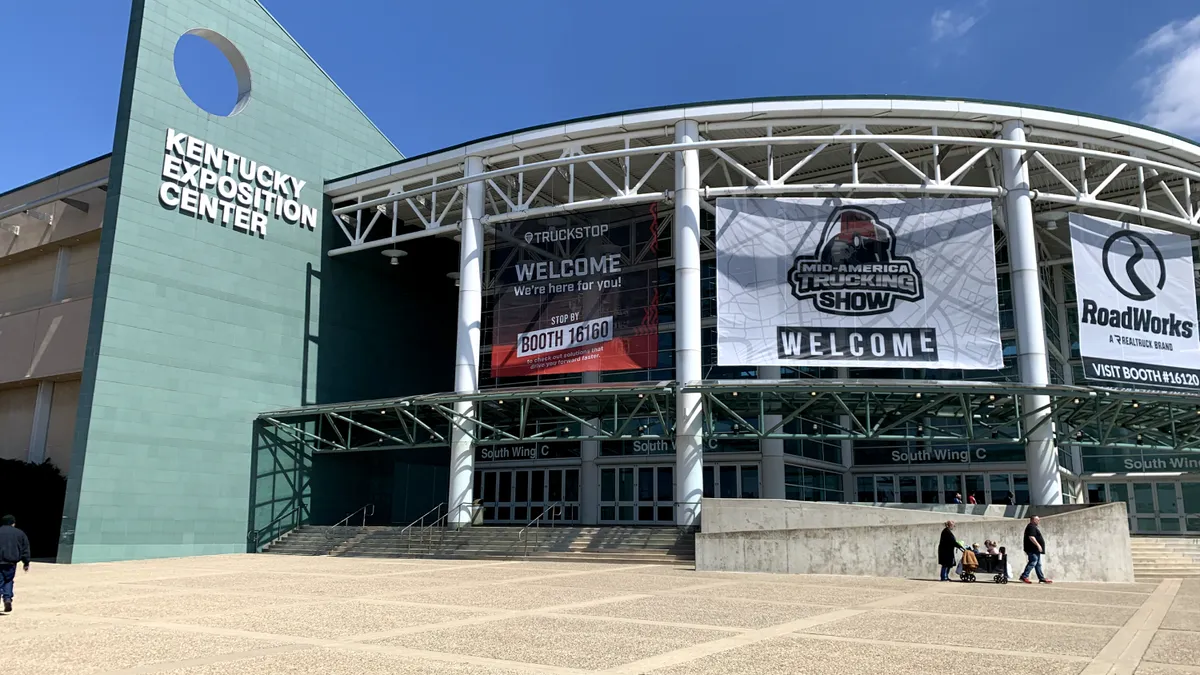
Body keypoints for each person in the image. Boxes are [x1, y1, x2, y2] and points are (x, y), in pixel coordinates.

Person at [0, 515, 31, 613]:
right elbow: (25, 549)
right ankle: (7, 598)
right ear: (13, 523)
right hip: (11, 562)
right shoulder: (20, 533)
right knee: (8, 580)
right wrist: (26, 562)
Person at [1019, 515, 1052, 584]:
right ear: (1032, 520)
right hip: (1032, 549)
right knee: (1033, 561)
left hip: (1035, 549)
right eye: (1037, 520)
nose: (1038, 521)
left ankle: (1041, 578)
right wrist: (1038, 545)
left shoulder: (1033, 527)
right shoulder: (1031, 526)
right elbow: (1031, 537)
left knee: (1038, 564)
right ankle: (1024, 576)